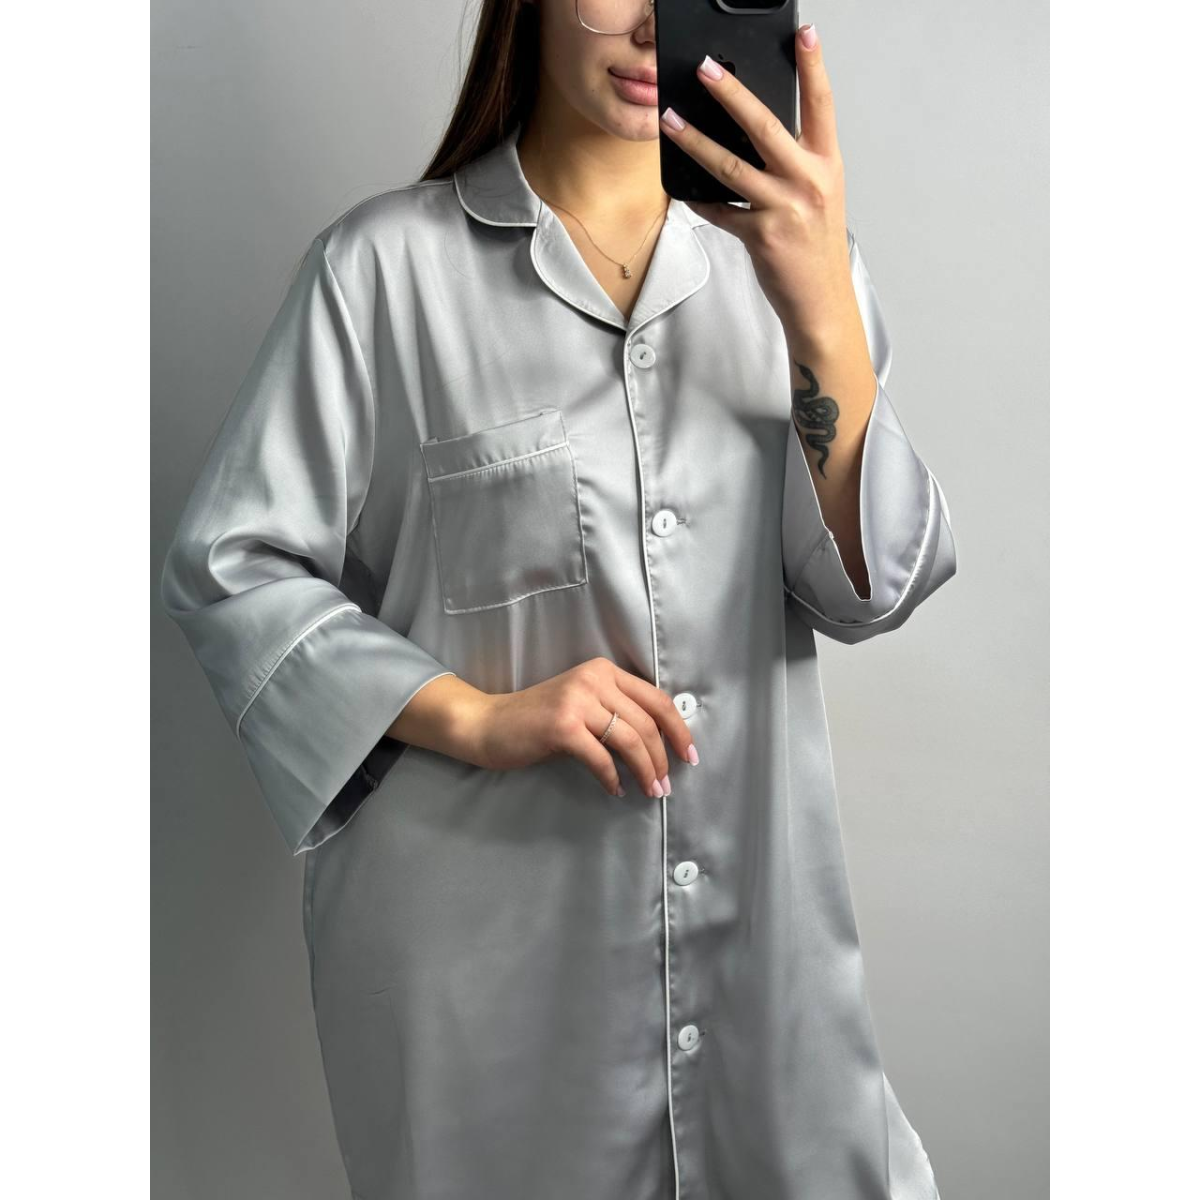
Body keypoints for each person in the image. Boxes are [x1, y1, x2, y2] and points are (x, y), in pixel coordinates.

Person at [160, 1, 957, 1196]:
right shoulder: (382, 273)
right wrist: (477, 715)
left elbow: (870, 585)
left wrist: (821, 318)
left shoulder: (799, 268)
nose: (645, 24)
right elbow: (232, 565)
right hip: (486, 990)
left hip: (761, 956)